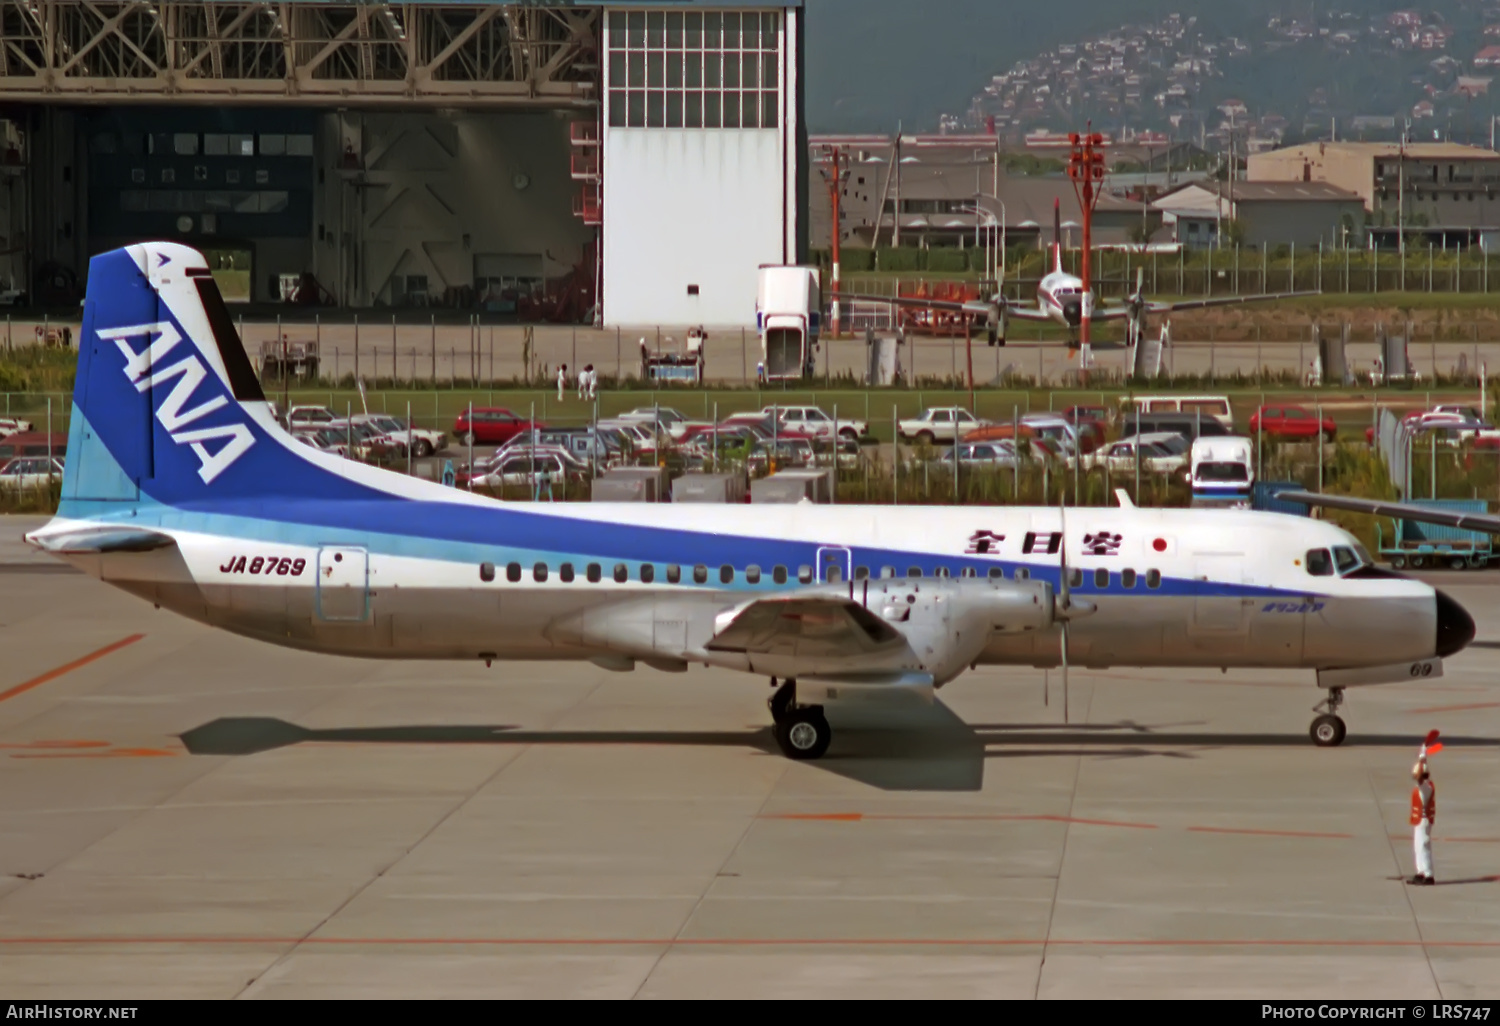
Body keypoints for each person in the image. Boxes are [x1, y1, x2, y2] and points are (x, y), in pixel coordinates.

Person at [1409, 729, 1442, 886]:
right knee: (1418, 846)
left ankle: (1428, 874)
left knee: (1423, 846)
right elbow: (1421, 771)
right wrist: (1423, 752)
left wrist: (1422, 757)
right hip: (1419, 820)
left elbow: (1419, 775)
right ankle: (1420, 872)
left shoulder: (1425, 787)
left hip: (1423, 820)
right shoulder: (1426, 784)